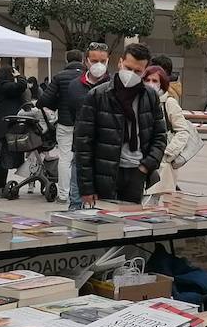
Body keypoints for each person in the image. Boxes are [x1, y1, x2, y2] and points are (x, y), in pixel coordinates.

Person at [74, 43, 167, 204]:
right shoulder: (98, 95)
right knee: (105, 225)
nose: (131, 74)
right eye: (128, 68)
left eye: (137, 71)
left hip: (136, 172)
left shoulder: (150, 97)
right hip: (104, 173)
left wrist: (146, 166)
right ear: (120, 62)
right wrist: (87, 187)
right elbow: (83, 144)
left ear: (145, 71)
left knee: (131, 223)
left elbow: (160, 136)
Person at [38, 44, 107, 207]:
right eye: (95, 60)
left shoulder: (61, 77)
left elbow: (45, 100)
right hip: (78, 127)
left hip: (66, 123)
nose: (98, 64)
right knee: (77, 161)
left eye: (102, 61)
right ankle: (74, 197)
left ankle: (63, 194)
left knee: (65, 159)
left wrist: (58, 106)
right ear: (84, 61)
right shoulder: (77, 83)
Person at [142, 65, 194, 199]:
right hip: (141, 161)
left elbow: (183, 131)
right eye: (147, 80)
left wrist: (168, 153)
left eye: (155, 81)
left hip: (162, 164)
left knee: (155, 205)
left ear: (162, 84)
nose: (150, 84)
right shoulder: (140, 101)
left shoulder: (169, 103)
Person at [0, 62, 29, 197]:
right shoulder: (5, 86)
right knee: (3, 159)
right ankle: (2, 188)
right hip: (6, 126)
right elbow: (21, 86)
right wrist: (20, 76)